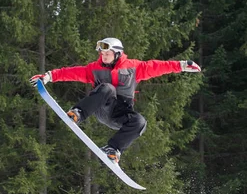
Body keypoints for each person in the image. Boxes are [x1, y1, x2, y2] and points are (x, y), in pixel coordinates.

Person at [30, 37, 201, 164]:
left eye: (108, 53)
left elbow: (158, 66)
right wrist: (49, 76)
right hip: (101, 107)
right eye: (102, 53)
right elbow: (71, 72)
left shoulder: (134, 67)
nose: (104, 56)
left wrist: (182, 65)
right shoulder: (94, 68)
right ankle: (78, 113)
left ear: (117, 53)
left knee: (140, 122)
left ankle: (113, 149)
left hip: (120, 114)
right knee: (107, 88)